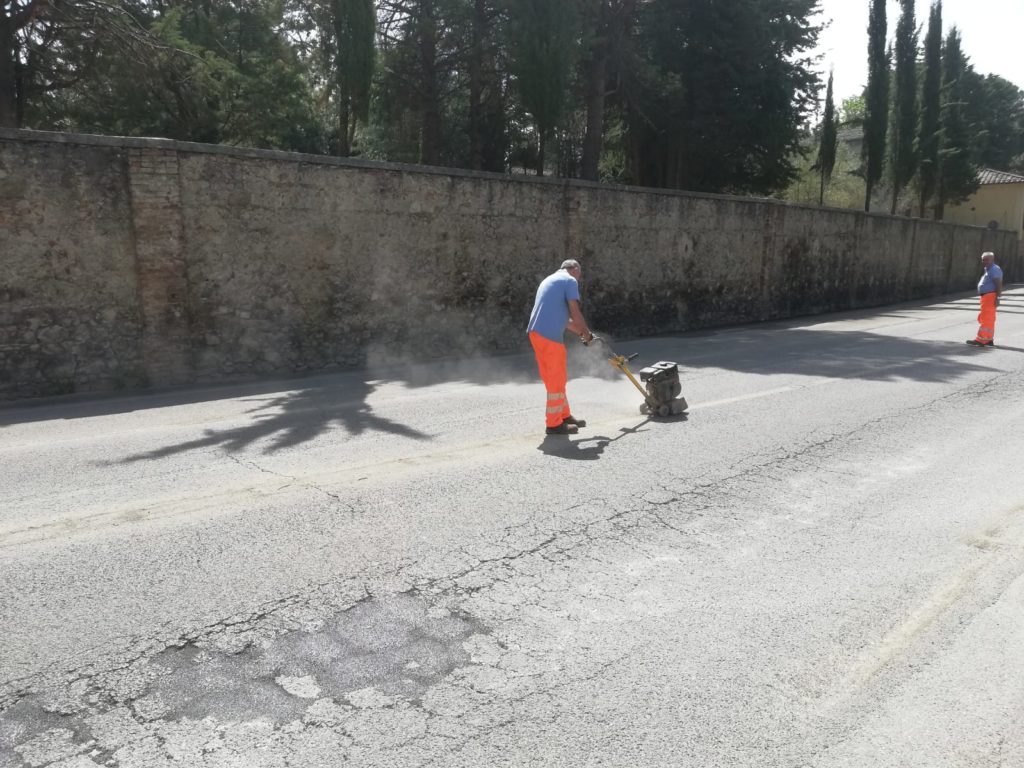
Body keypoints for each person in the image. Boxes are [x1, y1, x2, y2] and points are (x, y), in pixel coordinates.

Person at [527, 259, 595, 435]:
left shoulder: (550, 280)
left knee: (555, 378)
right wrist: (586, 333)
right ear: (574, 269)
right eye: (579, 274)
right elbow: (575, 312)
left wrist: (582, 332)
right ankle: (554, 424)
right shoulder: (569, 280)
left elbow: (564, 320)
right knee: (557, 379)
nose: (578, 279)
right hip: (549, 336)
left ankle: (564, 416)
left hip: (536, 333)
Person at [966, 251, 1003, 347]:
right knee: (988, 318)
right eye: (983, 260)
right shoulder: (989, 269)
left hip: (990, 296)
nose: (984, 261)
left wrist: (998, 297)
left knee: (986, 318)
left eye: (986, 259)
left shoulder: (994, 269)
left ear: (992, 259)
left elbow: (998, 283)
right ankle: (988, 339)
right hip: (987, 296)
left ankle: (981, 340)